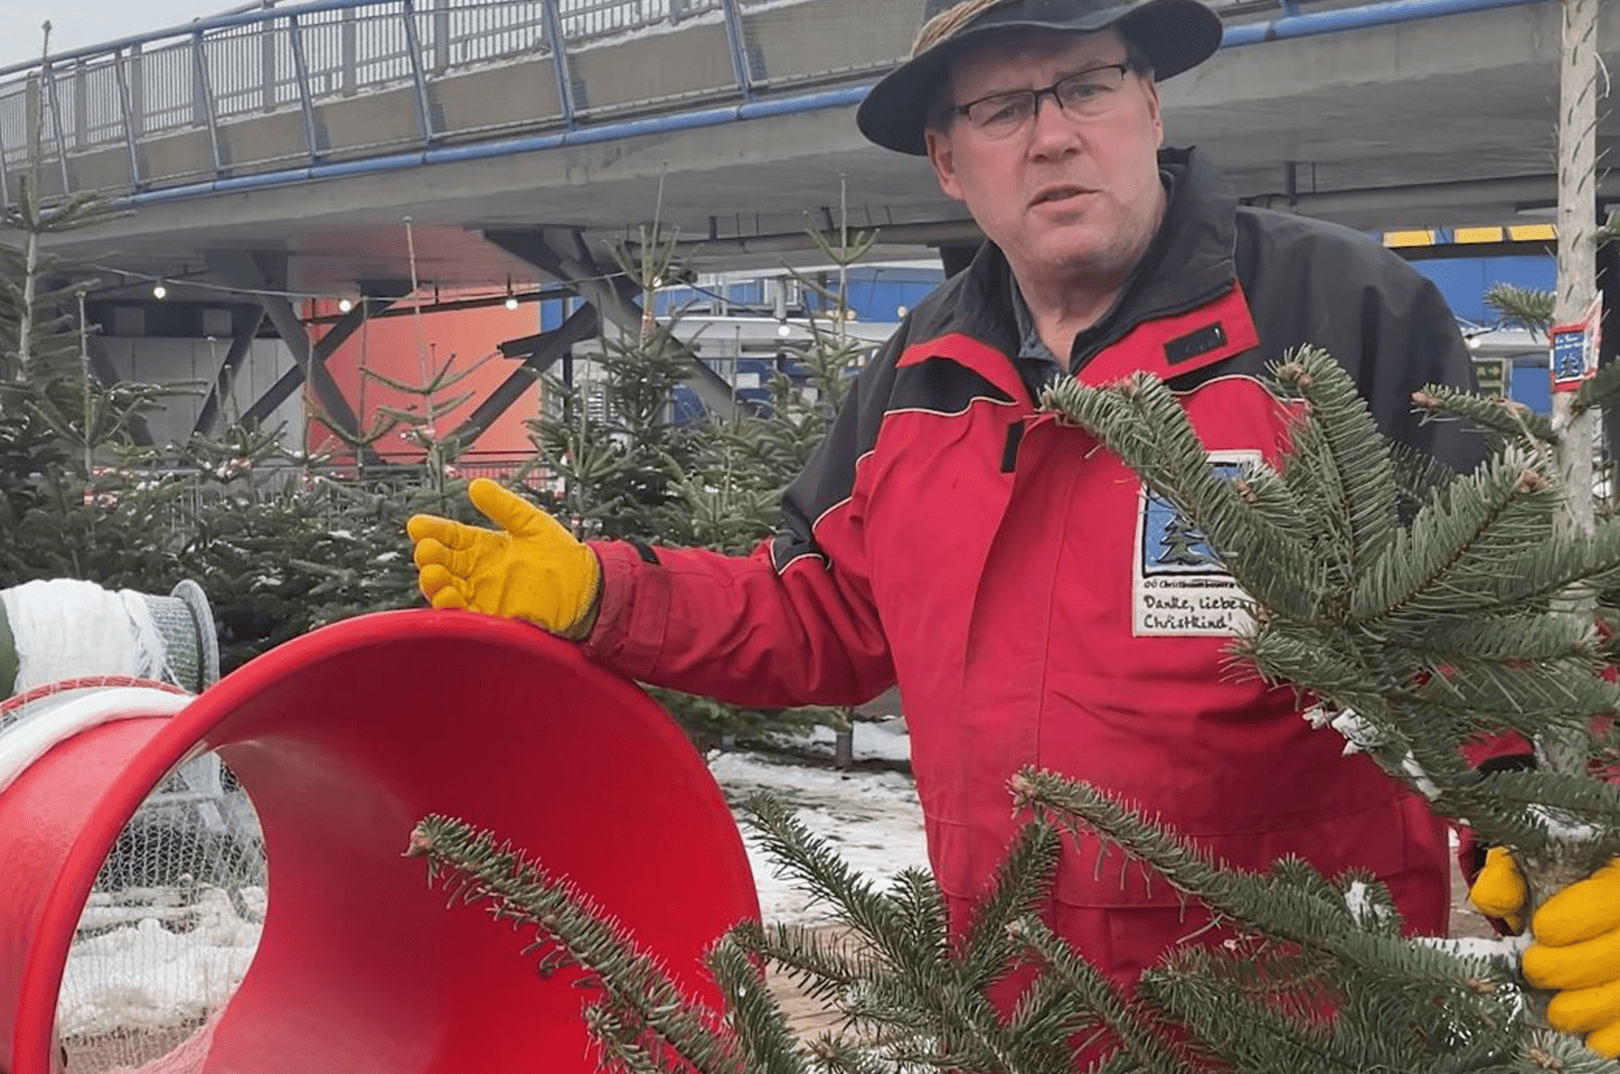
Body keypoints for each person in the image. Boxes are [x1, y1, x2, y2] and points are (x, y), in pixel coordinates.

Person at [408, 0, 1620, 1053]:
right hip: (1011, 1005)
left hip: (1301, 1016)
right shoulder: (926, 368)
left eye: (1085, 87)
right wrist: (600, 593)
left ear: (1147, 104)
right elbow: (821, 611)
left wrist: (1571, 824)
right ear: (948, 160)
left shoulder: (1334, 313)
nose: (1052, 134)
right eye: (1002, 111)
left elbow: (1498, 606)